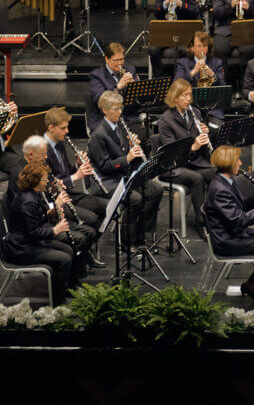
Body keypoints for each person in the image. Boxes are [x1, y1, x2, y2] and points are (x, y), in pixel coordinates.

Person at [204, 145, 254, 307]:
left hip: (235, 233)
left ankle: (252, 284)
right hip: (228, 241)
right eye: (237, 161)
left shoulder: (226, 181)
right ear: (228, 164)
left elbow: (238, 209)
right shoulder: (220, 189)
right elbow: (238, 220)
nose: (241, 163)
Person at [87, 91, 163, 245]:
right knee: (135, 199)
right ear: (105, 110)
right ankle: (128, 241)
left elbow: (122, 151)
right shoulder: (98, 135)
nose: (120, 112)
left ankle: (144, 232)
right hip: (107, 181)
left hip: (124, 174)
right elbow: (104, 166)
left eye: (120, 108)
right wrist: (128, 157)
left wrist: (130, 145)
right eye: (115, 109)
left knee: (156, 190)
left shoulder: (120, 124)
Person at [2, 163, 82, 303]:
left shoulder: (34, 194)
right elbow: (33, 232)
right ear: (35, 181)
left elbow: (34, 221)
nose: (47, 183)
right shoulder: (27, 201)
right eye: (44, 180)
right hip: (21, 249)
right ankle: (57, 302)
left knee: (68, 249)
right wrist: (56, 230)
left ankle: (66, 287)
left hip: (28, 241)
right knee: (63, 259)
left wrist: (49, 214)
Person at [157, 79, 216, 231]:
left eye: (189, 95)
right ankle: (201, 222)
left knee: (217, 173)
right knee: (197, 178)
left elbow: (198, 137)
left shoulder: (195, 112)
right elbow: (172, 151)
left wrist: (204, 132)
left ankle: (215, 214)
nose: (188, 99)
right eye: (184, 96)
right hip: (174, 166)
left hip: (194, 162)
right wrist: (194, 146)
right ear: (175, 98)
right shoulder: (166, 120)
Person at [41, 107, 107, 226]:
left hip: (68, 193)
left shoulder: (59, 143)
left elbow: (64, 173)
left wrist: (78, 165)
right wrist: (76, 176)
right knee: (91, 218)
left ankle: (90, 241)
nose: (67, 131)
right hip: (55, 200)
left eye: (67, 127)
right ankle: (82, 241)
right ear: (51, 128)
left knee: (106, 207)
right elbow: (48, 188)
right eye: (63, 128)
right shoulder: (42, 150)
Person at [149, 0, 201, 76]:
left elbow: (195, 11)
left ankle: (184, 77)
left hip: (183, 31)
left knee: (184, 51)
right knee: (153, 50)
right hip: (166, 32)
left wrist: (182, 4)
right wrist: (165, 3)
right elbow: (156, 13)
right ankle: (160, 80)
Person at [173, 31, 227, 121]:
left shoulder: (217, 62)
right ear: (192, 47)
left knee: (217, 129)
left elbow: (223, 87)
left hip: (212, 108)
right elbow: (176, 84)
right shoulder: (183, 63)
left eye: (205, 46)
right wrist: (193, 72)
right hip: (189, 106)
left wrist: (212, 74)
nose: (202, 49)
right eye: (199, 46)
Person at [86, 42, 139, 133]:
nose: (120, 63)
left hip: (128, 119)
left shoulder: (130, 70)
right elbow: (102, 101)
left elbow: (138, 99)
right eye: (116, 60)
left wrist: (134, 87)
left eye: (122, 59)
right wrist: (118, 87)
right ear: (107, 59)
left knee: (145, 134)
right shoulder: (97, 76)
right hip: (104, 120)